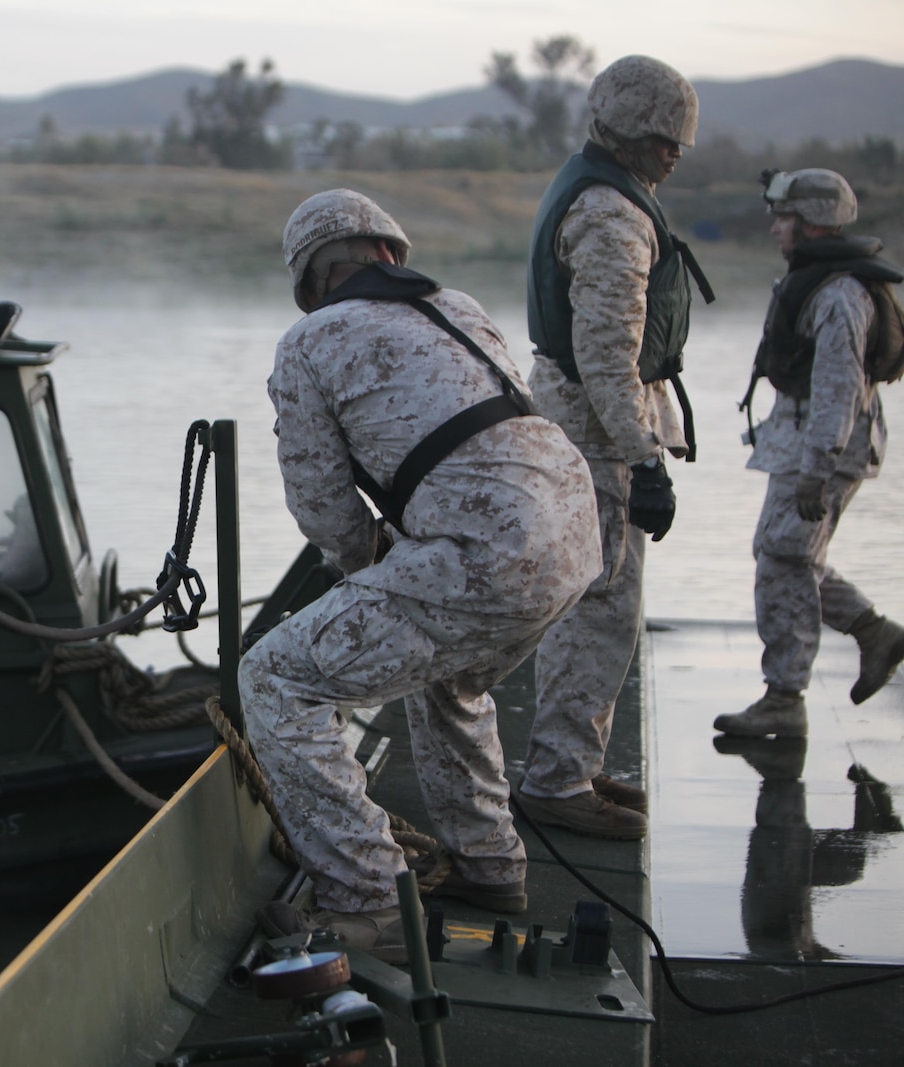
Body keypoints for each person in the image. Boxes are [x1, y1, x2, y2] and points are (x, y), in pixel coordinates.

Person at [242, 189, 602, 961]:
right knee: (452, 674)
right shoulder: (461, 307)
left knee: (273, 678)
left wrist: (362, 563)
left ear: (310, 281)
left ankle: (368, 899)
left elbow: (322, 507)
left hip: (482, 551)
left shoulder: (309, 341)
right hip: (573, 532)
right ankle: (488, 864)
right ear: (391, 253)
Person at [517, 55, 712, 839]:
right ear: (631, 130)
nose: (675, 153)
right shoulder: (609, 215)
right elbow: (605, 354)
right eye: (666, 139)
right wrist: (641, 458)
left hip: (583, 417)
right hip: (597, 430)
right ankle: (557, 781)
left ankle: (572, 763)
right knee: (600, 607)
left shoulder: (600, 191)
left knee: (593, 602)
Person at [713, 169, 904, 738]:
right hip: (806, 442)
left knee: (783, 558)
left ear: (814, 222)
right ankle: (873, 633)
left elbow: (838, 391)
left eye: (785, 217)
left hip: (823, 448)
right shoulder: (819, 281)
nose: (775, 228)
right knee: (784, 555)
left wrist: (816, 471)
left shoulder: (840, 295)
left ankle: (785, 696)